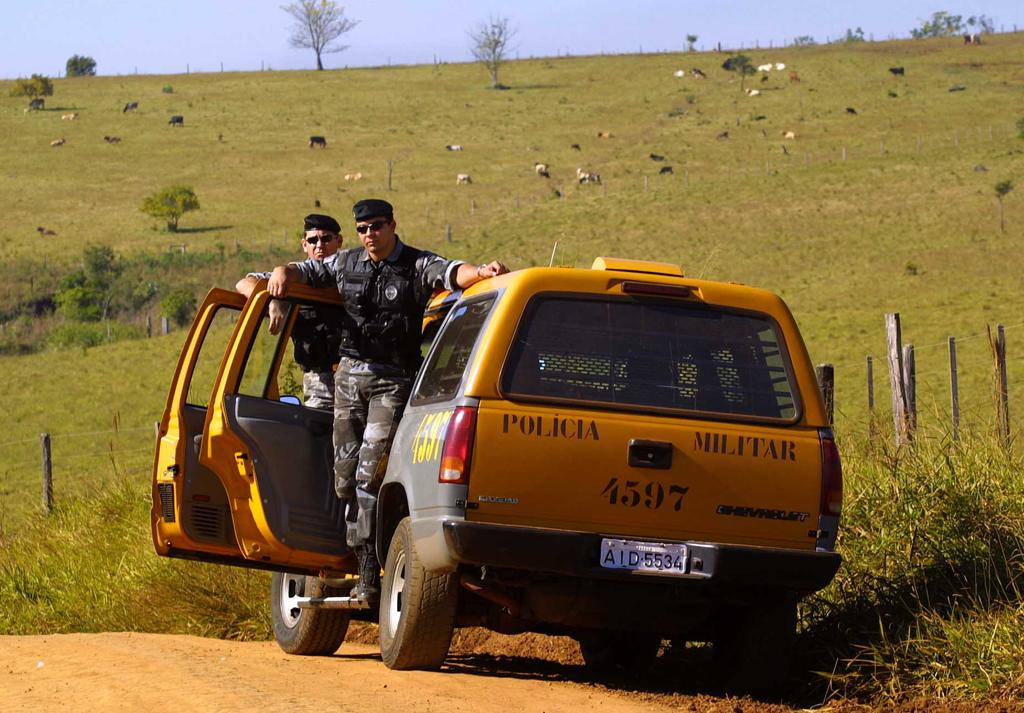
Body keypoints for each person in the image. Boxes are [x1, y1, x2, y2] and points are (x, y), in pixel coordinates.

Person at [266, 198, 508, 604]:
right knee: (343, 478)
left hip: (392, 382)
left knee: (368, 477)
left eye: (376, 227)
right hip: (348, 381)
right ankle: (349, 556)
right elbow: (303, 270)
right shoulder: (346, 264)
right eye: (362, 229)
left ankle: (369, 573)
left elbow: (452, 272)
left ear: (393, 225)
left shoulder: (414, 263)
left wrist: (482, 272)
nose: (369, 235)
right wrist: (279, 274)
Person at [236, 213, 342, 409]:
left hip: (357, 375)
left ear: (339, 241)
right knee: (319, 435)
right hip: (319, 380)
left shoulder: (350, 269)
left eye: (326, 239)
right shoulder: (292, 280)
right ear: (304, 245)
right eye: (313, 240)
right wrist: (271, 301)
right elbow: (244, 283)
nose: (319, 245)